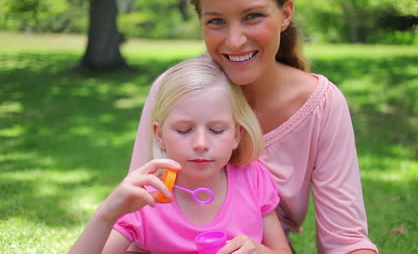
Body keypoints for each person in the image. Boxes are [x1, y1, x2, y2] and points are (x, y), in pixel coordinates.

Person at [129, 0, 379, 253]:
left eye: (253, 16)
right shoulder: (173, 91)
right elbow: (137, 209)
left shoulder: (322, 104)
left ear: (285, 14)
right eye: (216, 21)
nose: (235, 41)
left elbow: (346, 241)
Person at [69, 55, 292, 254]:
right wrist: (106, 214)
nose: (201, 144)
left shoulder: (252, 178)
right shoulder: (146, 198)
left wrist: (260, 251)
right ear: (159, 135)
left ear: (236, 135)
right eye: (184, 130)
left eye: (216, 130)